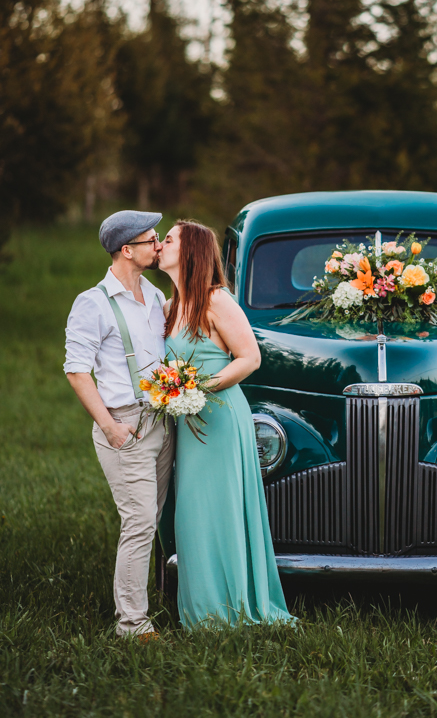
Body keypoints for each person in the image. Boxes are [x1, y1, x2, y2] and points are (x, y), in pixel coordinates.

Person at [159, 219, 294, 628]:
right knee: (192, 513)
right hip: (187, 422)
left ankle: (231, 608)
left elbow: (250, 358)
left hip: (219, 417)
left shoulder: (216, 299)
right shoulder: (169, 307)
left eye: (169, 239)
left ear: (190, 251)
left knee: (219, 508)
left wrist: (199, 387)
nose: (160, 244)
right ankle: (202, 609)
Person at [64, 210, 174, 639]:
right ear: (127, 250)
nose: (158, 245)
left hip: (161, 422)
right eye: (152, 240)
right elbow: (77, 371)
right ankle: (132, 623)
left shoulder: (154, 294)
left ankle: (150, 599)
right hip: (124, 425)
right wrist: (110, 427)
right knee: (140, 521)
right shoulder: (92, 302)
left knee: (153, 519)